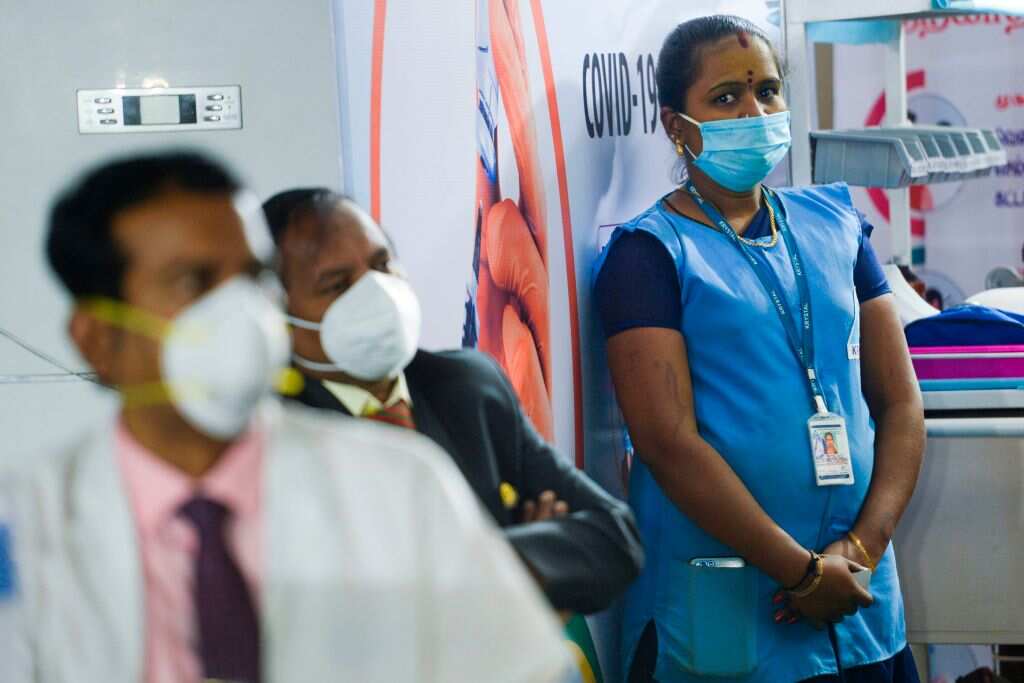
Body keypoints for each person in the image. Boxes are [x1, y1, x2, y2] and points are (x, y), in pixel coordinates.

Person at [0, 151, 572, 683]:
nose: (244, 312)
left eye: (252, 277)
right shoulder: (28, 527)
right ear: (98, 339)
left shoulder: (402, 485)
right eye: (194, 282)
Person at [593, 16, 925, 683]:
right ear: (676, 126)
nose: (756, 110)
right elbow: (668, 443)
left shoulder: (836, 222)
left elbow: (899, 402)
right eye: (726, 98)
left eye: (769, 91)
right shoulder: (648, 255)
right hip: (731, 613)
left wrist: (859, 550)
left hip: (860, 604)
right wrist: (803, 571)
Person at [261, 188, 644, 615]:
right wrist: (527, 565)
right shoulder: (271, 439)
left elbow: (615, 539)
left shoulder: (467, 387)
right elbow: (350, 613)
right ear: (275, 314)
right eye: (337, 285)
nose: (376, 291)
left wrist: (469, 571)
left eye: (381, 264)